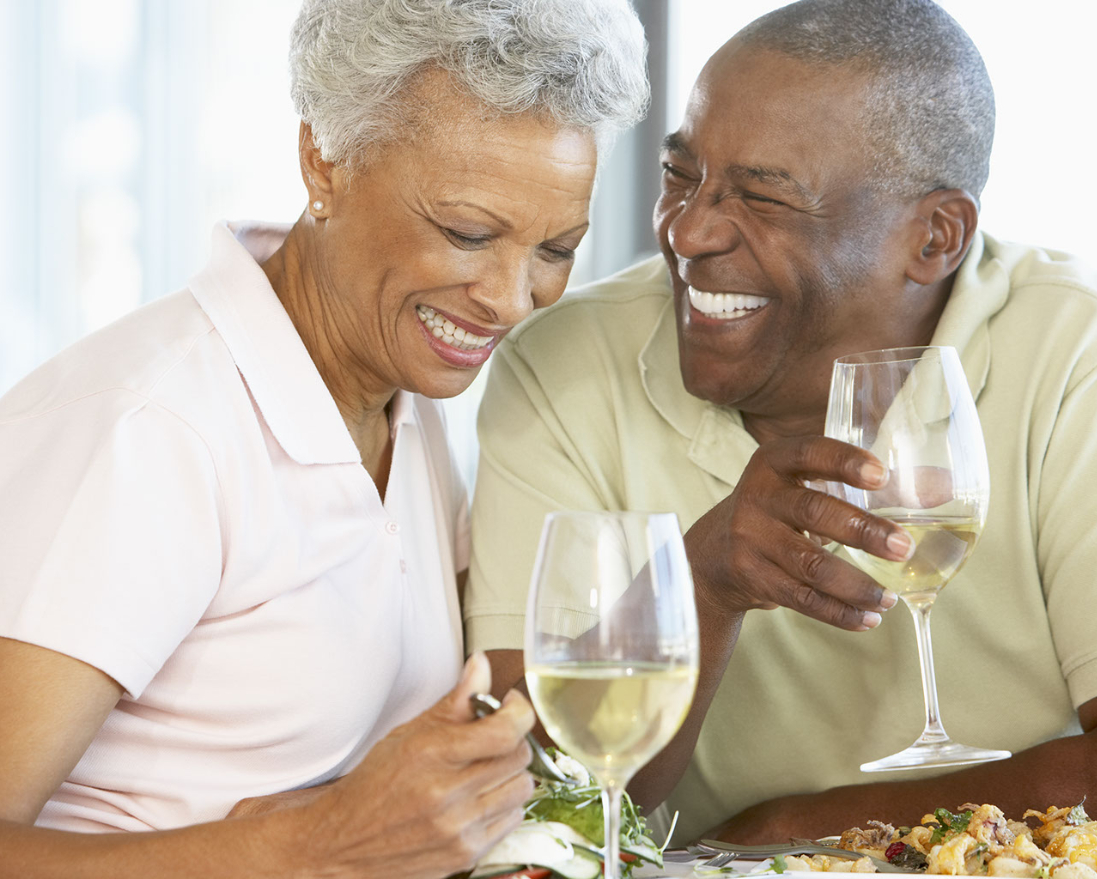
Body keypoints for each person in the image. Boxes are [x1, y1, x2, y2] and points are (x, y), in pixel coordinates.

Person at [464, 0, 1097, 855]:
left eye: (765, 197)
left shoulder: (1093, 355)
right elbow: (523, 811)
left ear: (934, 237)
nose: (687, 230)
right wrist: (699, 585)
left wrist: (792, 836)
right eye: (681, 174)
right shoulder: (558, 366)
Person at [0, 0, 648, 875]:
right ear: (325, 160)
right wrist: (315, 841)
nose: (509, 298)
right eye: (466, 233)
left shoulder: (406, 394)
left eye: (556, 248)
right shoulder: (150, 428)